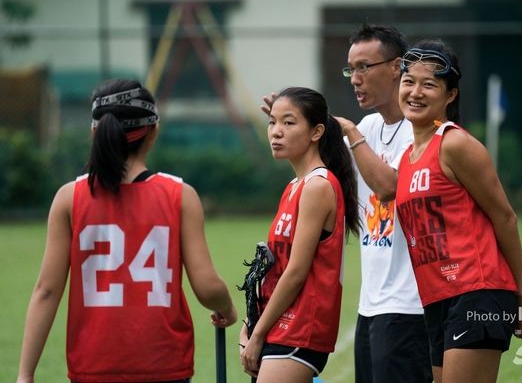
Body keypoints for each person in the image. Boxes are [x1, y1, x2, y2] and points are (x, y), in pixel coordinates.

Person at [16, 79, 237, 383]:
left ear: (95, 132)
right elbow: (207, 287)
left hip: (92, 367)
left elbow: (47, 290)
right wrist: (227, 307)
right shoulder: (180, 195)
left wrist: (25, 375)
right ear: (153, 132)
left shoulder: (70, 197)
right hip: (163, 365)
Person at [393, 39, 522, 383]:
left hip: (477, 290)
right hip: (437, 298)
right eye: (408, 81)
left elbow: (505, 217)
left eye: (429, 84)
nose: (415, 91)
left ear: (450, 96)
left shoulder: (455, 144)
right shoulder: (407, 159)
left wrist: (521, 294)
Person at [238, 87, 360, 383]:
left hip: (299, 328)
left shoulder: (318, 186)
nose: (276, 132)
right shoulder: (295, 186)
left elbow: (296, 272)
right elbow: (275, 268)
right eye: (272, 122)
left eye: (289, 123)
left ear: (316, 131)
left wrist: (259, 334)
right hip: (278, 324)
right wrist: (251, 324)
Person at [334, 24, 433, 383]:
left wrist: (352, 134)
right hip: (371, 305)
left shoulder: (422, 130)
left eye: (364, 67)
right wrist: (289, 127)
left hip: (410, 305)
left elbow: (389, 186)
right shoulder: (369, 126)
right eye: (351, 69)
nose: (355, 78)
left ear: (396, 67)